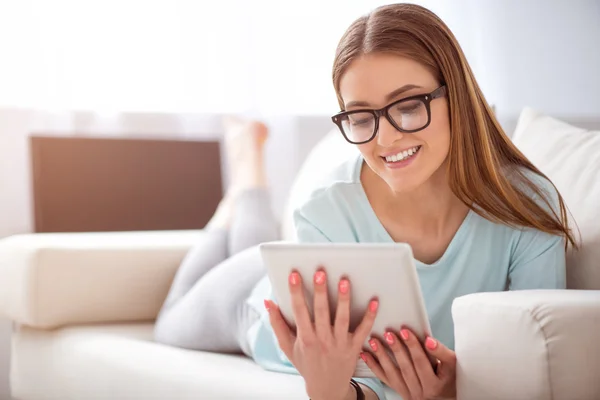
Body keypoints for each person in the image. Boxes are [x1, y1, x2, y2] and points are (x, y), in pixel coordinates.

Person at [155, 4, 576, 400]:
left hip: (290, 256)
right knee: (170, 322)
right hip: (249, 304)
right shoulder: (324, 211)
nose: (385, 139)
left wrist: (461, 388)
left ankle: (246, 184)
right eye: (361, 118)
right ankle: (241, 193)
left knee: (251, 245)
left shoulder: (528, 208)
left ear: (458, 96)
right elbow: (355, 381)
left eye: (409, 107)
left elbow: (537, 362)